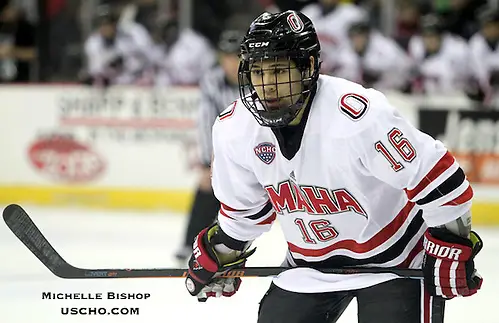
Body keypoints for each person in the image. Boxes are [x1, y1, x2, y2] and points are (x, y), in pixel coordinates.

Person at [183, 10, 484, 323]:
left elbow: (439, 178)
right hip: (308, 267)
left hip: (396, 263)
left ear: (308, 67)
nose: (267, 85)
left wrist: (452, 244)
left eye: (278, 71)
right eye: (258, 72)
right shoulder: (235, 128)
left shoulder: (357, 116)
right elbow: (245, 212)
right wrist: (223, 250)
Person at [174, 29, 244, 263]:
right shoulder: (212, 81)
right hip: (225, 151)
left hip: (256, 149)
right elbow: (206, 122)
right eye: (227, 57)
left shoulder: (257, 78)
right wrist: (207, 162)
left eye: (236, 56)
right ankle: (190, 243)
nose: (231, 63)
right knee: (207, 188)